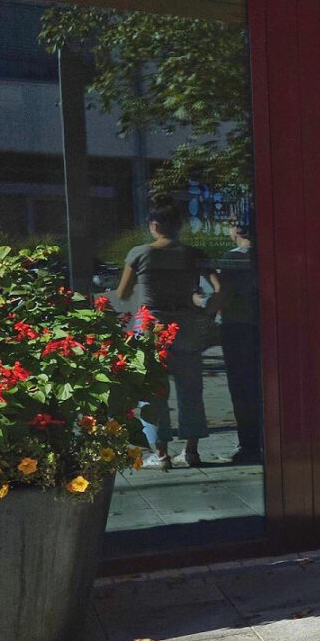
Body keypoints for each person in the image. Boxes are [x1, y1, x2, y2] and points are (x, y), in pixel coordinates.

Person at [117, 194, 218, 469]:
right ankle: (192, 452)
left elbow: (123, 292)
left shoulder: (140, 253)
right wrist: (208, 312)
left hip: (151, 323)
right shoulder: (194, 255)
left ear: (153, 225)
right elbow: (220, 289)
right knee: (191, 390)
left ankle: (160, 454)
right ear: (179, 226)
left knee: (153, 391)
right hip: (185, 323)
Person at [214, 215, 263, 464]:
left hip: (237, 329)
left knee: (242, 389)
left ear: (237, 230)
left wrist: (201, 303)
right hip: (263, 327)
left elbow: (223, 295)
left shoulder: (233, 257)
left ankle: (249, 444)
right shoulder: (268, 255)